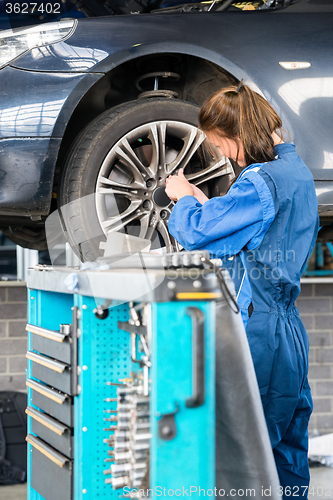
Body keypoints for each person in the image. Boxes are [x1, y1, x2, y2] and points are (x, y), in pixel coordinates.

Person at [165, 82, 319, 498]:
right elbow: (245, 232)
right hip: (290, 332)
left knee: (246, 458)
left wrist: (182, 198)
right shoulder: (298, 173)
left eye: (218, 144)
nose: (220, 154)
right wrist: (204, 201)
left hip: (259, 333)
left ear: (235, 137)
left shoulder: (259, 180)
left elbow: (198, 233)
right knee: (287, 450)